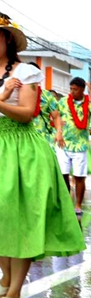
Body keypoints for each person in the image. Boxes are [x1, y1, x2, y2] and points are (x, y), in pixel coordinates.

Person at [0, 11, 84, 298]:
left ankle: (13, 293)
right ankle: (5, 280)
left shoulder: (27, 71)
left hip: (24, 147)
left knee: (25, 218)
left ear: (9, 39)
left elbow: (26, 112)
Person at [55, 77, 89, 216]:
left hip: (80, 145)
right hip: (63, 144)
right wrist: (58, 129)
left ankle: (78, 205)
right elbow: (56, 117)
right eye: (71, 89)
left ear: (82, 89)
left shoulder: (89, 104)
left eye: (75, 89)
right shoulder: (63, 102)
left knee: (79, 176)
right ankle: (67, 203)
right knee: (63, 175)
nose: (72, 92)